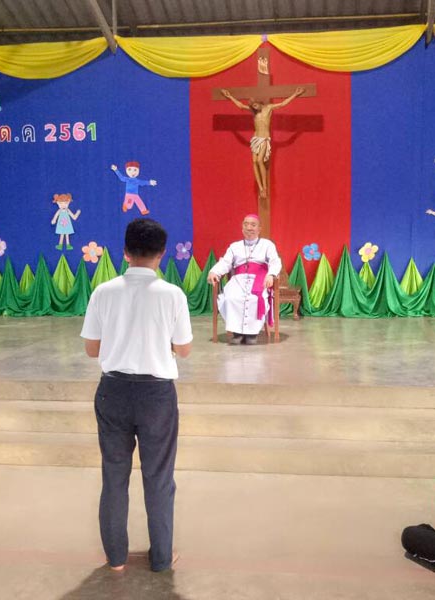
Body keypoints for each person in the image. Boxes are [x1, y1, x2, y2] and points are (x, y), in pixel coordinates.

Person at [80, 218, 192, 573]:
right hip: (157, 395)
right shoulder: (172, 294)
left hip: (112, 391)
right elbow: (184, 349)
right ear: (162, 254)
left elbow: (92, 350)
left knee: (114, 476)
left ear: (125, 251)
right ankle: (161, 559)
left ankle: (116, 559)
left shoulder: (103, 292)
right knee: (159, 477)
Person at [207, 214, 281, 345]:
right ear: (242, 228)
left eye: (253, 225)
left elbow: (275, 261)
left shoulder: (267, 245)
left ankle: (252, 334)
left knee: (254, 299)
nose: (249, 228)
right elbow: (225, 262)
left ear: (259, 229)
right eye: (246, 224)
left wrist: (271, 275)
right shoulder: (234, 246)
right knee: (231, 298)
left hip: (259, 279)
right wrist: (214, 272)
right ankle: (237, 333)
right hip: (238, 279)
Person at [221, 87, 305, 198]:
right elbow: (240, 105)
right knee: (254, 161)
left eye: (255, 105)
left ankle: (264, 187)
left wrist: (295, 94)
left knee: (260, 160)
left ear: (259, 103)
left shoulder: (268, 108)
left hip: (264, 138)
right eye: (253, 106)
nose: (254, 107)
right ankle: (260, 188)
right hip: (256, 139)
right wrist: (229, 96)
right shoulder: (253, 112)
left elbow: (282, 104)